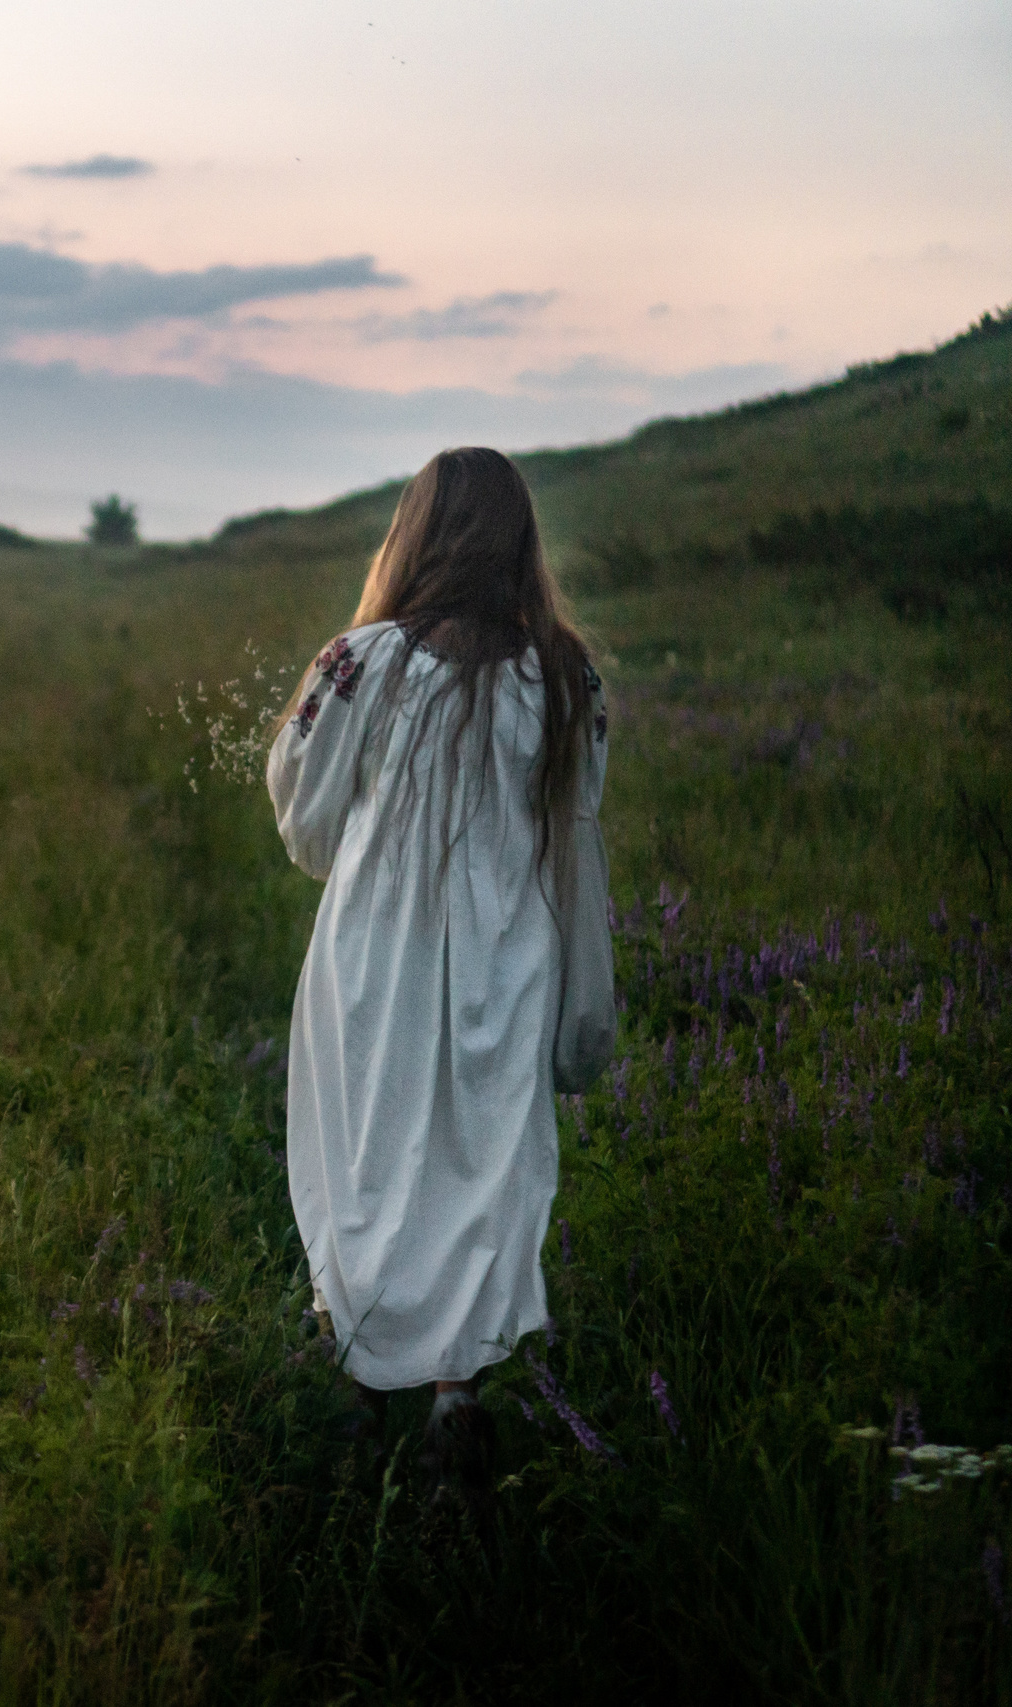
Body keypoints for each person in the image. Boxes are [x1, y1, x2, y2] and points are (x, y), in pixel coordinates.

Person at [264, 446, 616, 1496]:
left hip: (375, 948)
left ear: (414, 534)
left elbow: (300, 810)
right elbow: (576, 823)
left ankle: (361, 1385)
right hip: (506, 955)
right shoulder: (562, 671)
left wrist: (361, 846)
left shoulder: (361, 660)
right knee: (477, 1166)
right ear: (520, 542)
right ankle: (453, 1399)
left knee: (368, 1152)